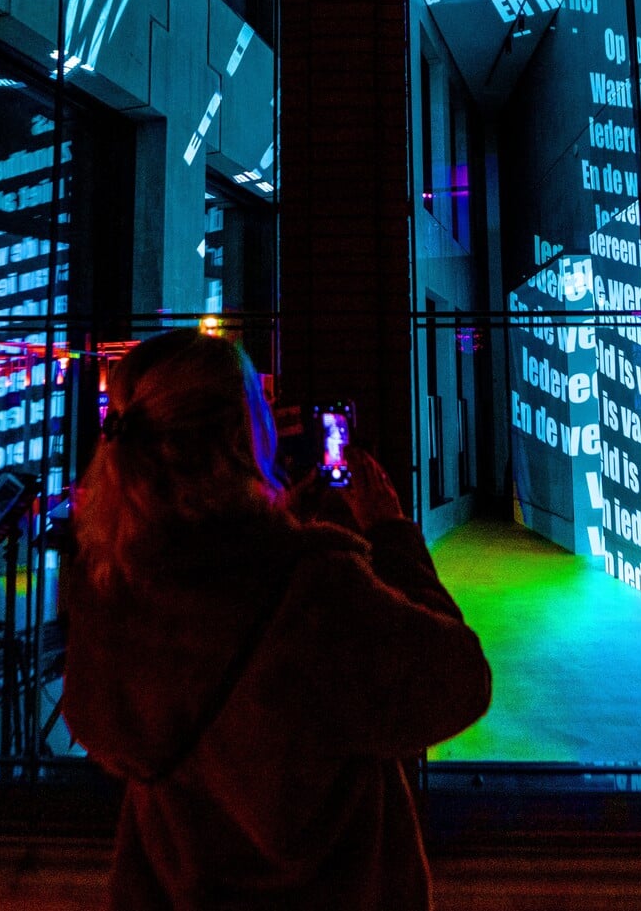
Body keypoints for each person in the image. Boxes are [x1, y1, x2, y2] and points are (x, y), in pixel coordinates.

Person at [61, 329, 491, 910]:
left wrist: (284, 529)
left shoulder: (108, 584)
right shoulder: (312, 590)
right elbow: (458, 680)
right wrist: (391, 536)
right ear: (241, 432)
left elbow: (116, 723)